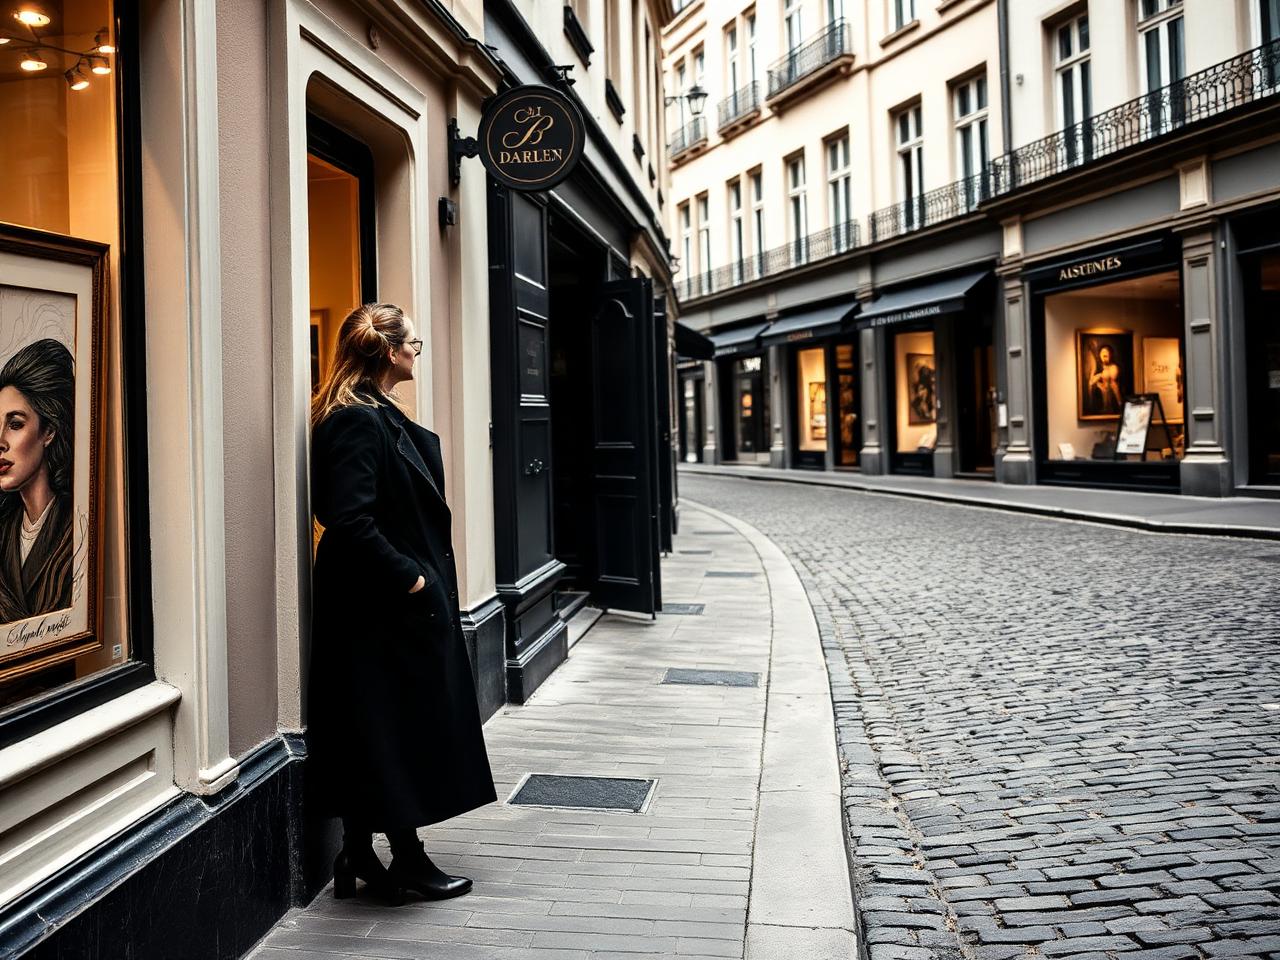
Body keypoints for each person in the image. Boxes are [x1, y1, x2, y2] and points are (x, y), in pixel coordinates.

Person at [308, 303, 496, 904]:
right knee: (391, 727)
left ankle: (358, 852)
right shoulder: (356, 420)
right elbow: (348, 519)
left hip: (380, 605)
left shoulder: (373, 412)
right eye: (413, 342)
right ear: (389, 352)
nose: (417, 350)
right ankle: (406, 858)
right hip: (378, 606)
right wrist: (413, 580)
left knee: (377, 726)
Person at [0, 339, 75, 625]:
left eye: (15, 424)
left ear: (49, 432)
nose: (1, 441)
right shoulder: (4, 529)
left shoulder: (78, 525)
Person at [1088, 343, 1124, 415]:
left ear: (1111, 355)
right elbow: (1091, 382)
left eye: (1106, 353)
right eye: (1102, 353)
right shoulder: (1099, 368)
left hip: (1113, 403)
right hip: (1102, 403)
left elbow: (1114, 385)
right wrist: (1099, 383)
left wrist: (1120, 403)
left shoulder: (1114, 368)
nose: (1104, 355)